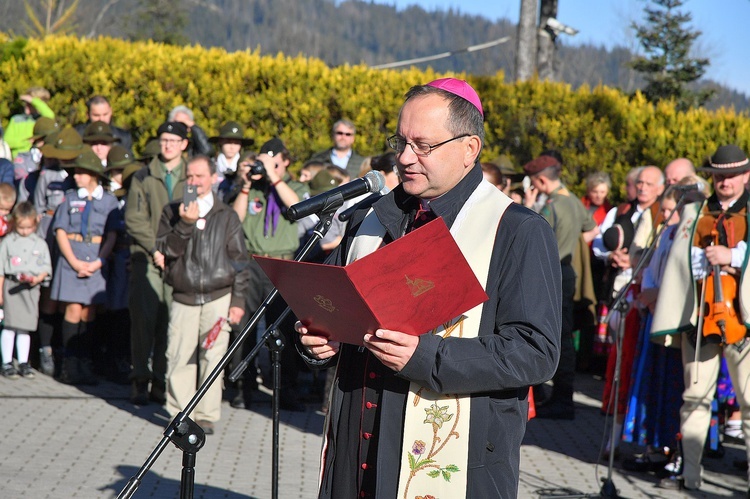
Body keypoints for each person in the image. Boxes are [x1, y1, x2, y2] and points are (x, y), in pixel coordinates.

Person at [296, 78, 561, 498]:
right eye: (400, 141)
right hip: (355, 447)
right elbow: (332, 306)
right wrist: (316, 337)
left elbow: (535, 353)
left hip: (456, 458)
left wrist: (426, 356)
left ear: (469, 149)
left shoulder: (517, 231)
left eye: (423, 145)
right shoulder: (370, 218)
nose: (404, 157)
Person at [653, 145, 750, 492]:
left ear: (746, 176)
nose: (725, 181)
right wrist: (698, 261)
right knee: (694, 398)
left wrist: (734, 256)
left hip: (743, 323)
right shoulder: (695, 213)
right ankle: (690, 476)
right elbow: (680, 261)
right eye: (719, 176)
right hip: (703, 318)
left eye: (732, 175)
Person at [156, 155, 250, 435]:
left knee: (213, 357)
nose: (194, 182)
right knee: (178, 356)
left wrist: (238, 301)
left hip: (218, 296)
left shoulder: (226, 215)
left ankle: (207, 414)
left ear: (213, 178)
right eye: (190, 177)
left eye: (199, 176)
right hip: (183, 295)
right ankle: (180, 414)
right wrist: (184, 223)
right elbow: (165, 251)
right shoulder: (171, 212)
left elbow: (240, 262)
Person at [231, 137, 309, 411]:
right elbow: (234, 220)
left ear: (285, 161)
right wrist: (245, 185)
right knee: (244, 330)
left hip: (282, 265)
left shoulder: (293, 185)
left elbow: (296, 208)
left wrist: (275, 177)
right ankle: (243, 387)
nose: (265, 165)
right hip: (251, 263)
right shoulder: (253, 186)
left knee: (284, 331)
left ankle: (284, 390)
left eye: (272, 159)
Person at [523, 153, 598, 419]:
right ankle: (560, 395)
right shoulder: (574, 201)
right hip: (567, 273)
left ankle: (562, 399)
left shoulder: (551, 206)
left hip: (550, 275)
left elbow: (530, 235)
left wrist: (530, 206)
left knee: (556, 337)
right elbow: (592, 229)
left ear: (541, 181)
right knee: (564, 336)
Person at [125, 121, 188, 404]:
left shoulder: (192, 177)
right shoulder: (143, 176)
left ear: (184, 144)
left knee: (170, 322)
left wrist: (172, 250)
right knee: (143, 320)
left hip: (180, 260)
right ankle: (140, 378)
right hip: (148, 258)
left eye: (174, 141)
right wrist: (156, 249)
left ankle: (160, 381)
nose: (168, 145)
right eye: (163, 140)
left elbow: (194, 217)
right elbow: (134, 219)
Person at [50, 146, 118, 385]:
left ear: (93, 174)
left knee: (89, 312)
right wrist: (73, 261)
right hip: (72, 258)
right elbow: (60, 231)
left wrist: (99, 262)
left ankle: (85, 363)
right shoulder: (70, 199)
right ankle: (69, 365)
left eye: (80, 171)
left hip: (96, 260)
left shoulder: (109, 201)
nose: (75, 176)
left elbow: (112, 235)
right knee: (73, 310)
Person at [0, 202, 52, 379]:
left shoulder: (40, 243)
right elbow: (0, 270)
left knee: (25, 328)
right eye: (21, 227)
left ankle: (23, 362)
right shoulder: (8, 242)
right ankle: (6, 362)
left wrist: (37, 278)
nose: (24, 231)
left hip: (31, 288)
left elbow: (46, 267)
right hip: (11, 286)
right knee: (9, 326)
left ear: (35, 224)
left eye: (28, 227)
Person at [208, 121, 254, 203]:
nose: (232, 147)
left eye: (236, 143)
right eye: (228, 142)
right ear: (221, 142)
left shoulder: (247, 166)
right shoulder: (209, 165)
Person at [4, 87, 55, 158]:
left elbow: (50, 116)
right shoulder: (16, 119)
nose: (27, 106)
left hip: (36, 161)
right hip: (18, 161)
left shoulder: (41, 120)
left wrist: (33, 100)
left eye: (30, 104)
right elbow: (7, 141)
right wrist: (27, 142)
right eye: (26, 103)